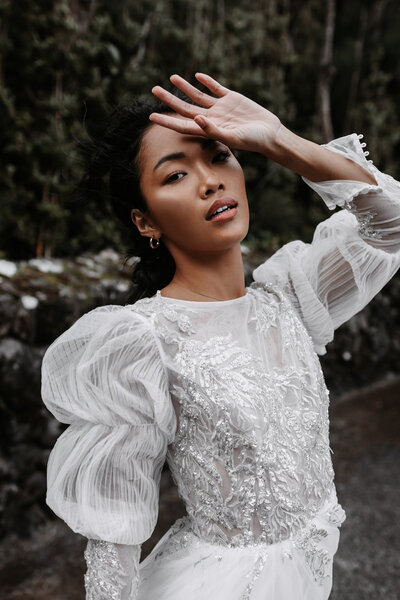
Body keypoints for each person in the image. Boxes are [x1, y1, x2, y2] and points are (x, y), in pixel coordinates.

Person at [41, 73, 400, 600]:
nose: (209, 181)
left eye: (218, 156)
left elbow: (390, 224)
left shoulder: (292, 299)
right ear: (145, 222)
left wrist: (281, 141)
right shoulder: (142, 341)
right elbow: (113, 529)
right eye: (175, 176)